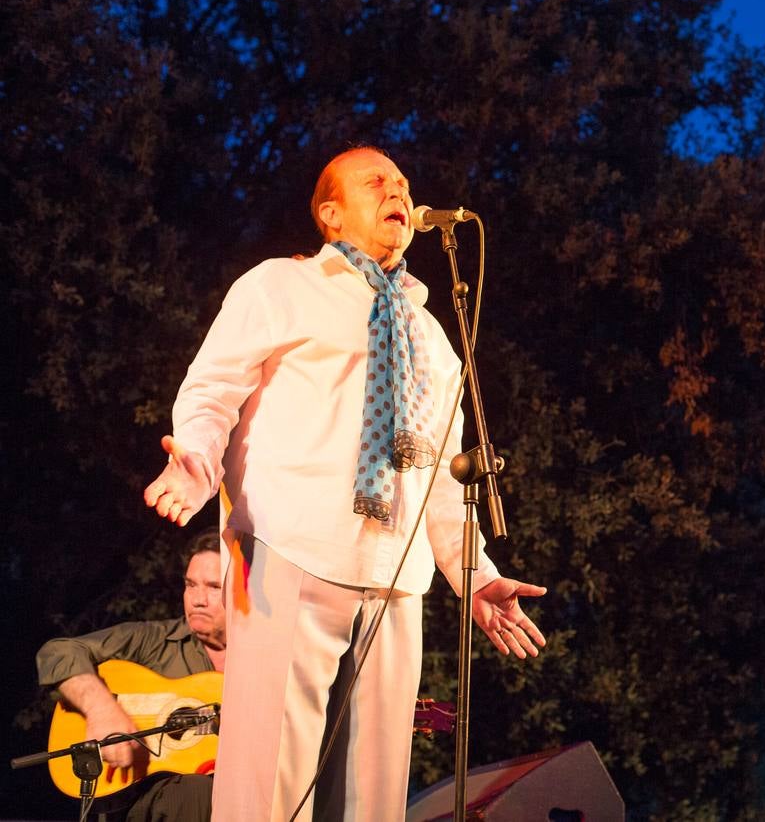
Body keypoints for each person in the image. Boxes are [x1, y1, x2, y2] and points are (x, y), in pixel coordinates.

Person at [142, 145, 547, 821]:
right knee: (266, 785)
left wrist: (474, 575)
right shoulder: (280, 286)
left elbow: (443, 476)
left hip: (396, 578)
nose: (396, 188)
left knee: (374, 795)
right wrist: (196, 459)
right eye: (375, 181)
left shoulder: (433, 333)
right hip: (287, 550)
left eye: (403, 181)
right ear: (331, 214)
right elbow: (212, 391)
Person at [36, 529, 226, 822]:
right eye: (190, 584)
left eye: (214, 587)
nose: (197, 599)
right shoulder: (153, 641)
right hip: (153, 797)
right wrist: (102, 711)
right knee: (196, 793)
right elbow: (58, 652)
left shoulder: (267, 662)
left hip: (236, 793)